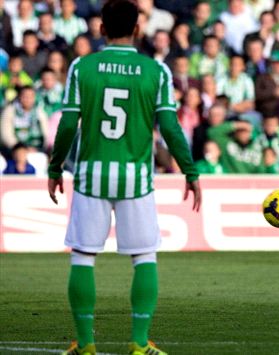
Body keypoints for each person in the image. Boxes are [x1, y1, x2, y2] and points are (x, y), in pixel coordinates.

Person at [47, 1, 202, 354]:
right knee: (144, 256)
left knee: (83, 256)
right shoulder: (156, 71)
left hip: (91, 175)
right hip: (136, 178)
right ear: (137, 29)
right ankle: (138, 343)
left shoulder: (81, 66)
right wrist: (189, 171)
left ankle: (86, 346)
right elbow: (170, 128)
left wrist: (56, 167)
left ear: (101, 29)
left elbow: (69, 122)